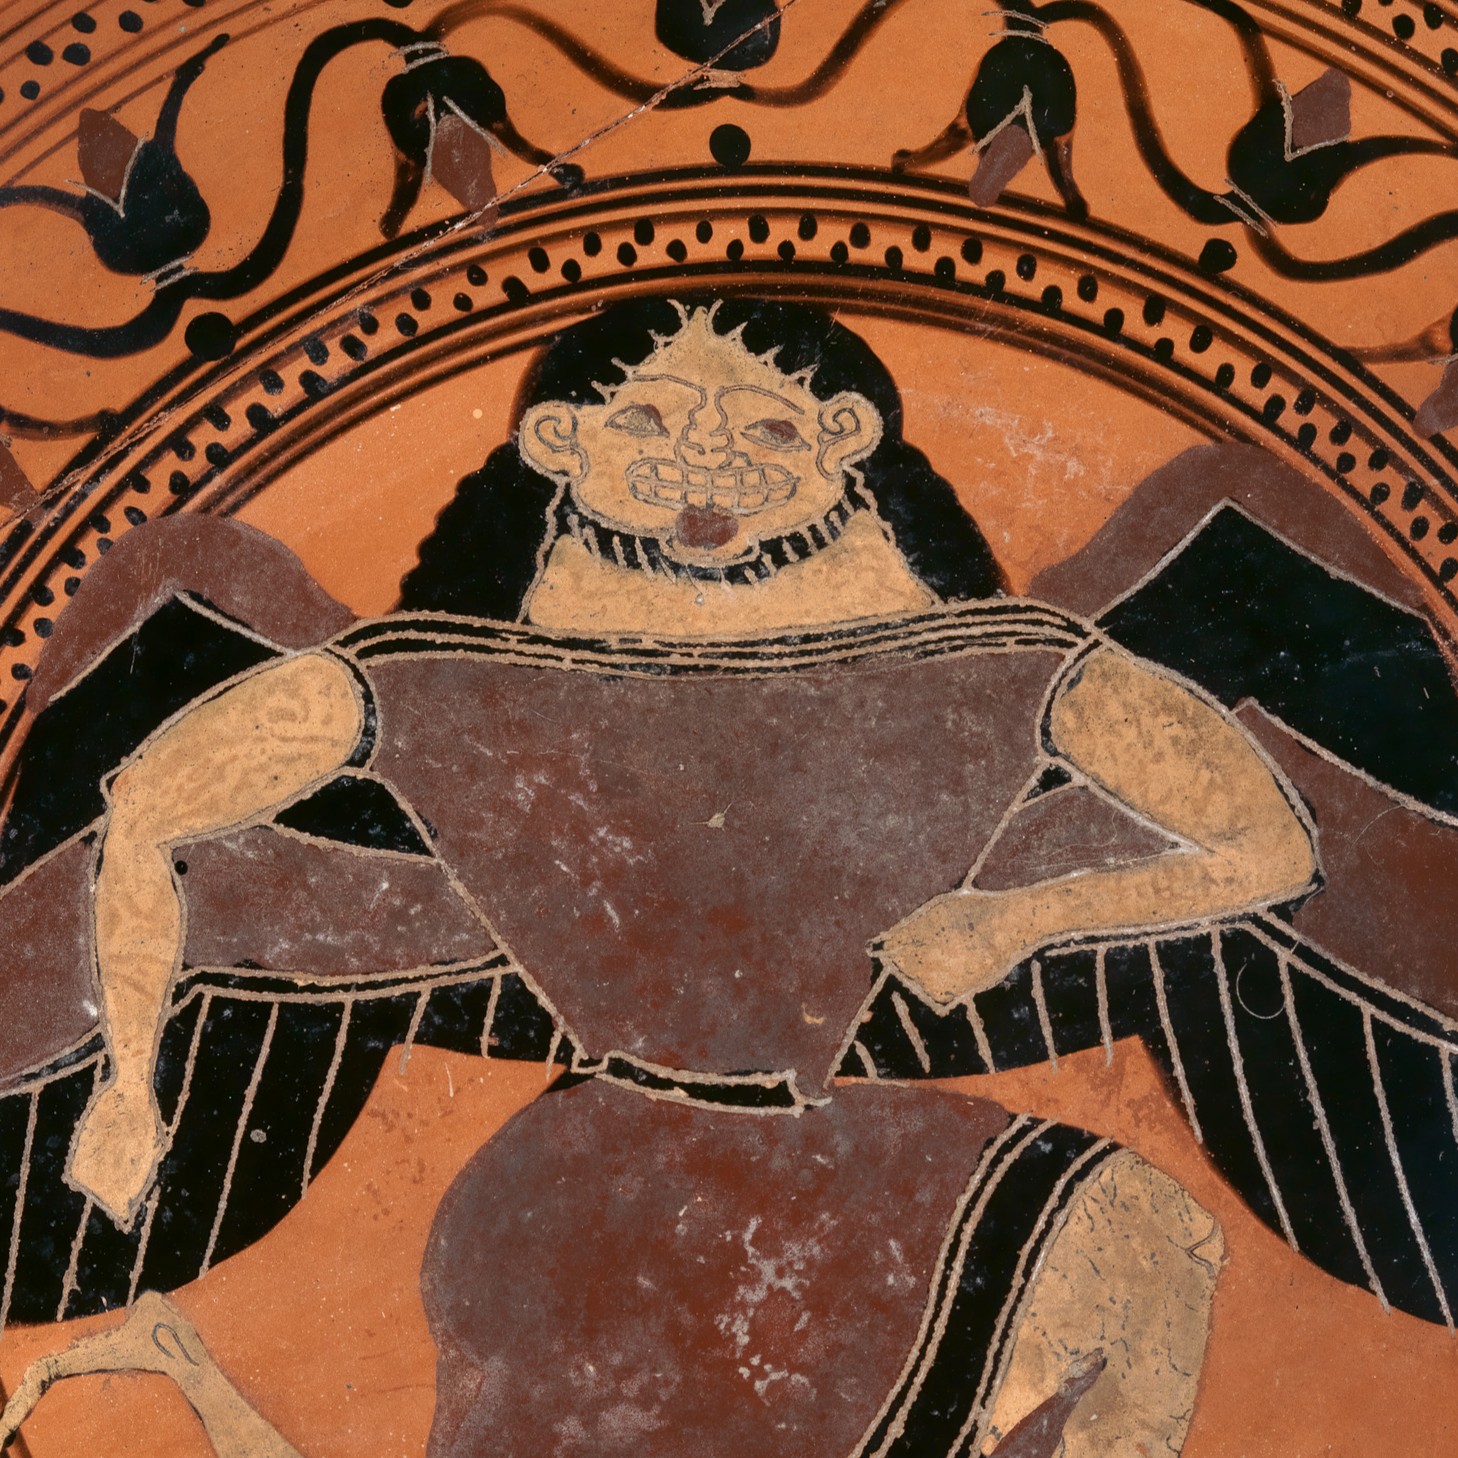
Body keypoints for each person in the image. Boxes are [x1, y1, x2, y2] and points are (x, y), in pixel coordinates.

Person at [1, 297, 1318, 1457]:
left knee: (1142, 1242)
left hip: (817, 1156)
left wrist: (1022, 915)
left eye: (763, 426)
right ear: (557, 444)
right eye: (645, 421)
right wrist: (127, 1083)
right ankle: (180, 1366)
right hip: (599, 1201)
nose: (704, 460)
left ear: (845, 438)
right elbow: (146, 806)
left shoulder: (996, 663)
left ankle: (180, 1367)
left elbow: (1274, 844)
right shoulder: (441, 676)